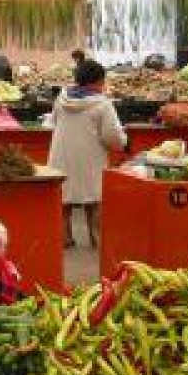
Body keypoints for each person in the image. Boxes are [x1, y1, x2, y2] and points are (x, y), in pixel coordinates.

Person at [47, 60, 127, 249]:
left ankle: (64, 237)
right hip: (91, 157)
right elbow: (111, 136)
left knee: (64, 200)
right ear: (98, 81)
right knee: (94, 198)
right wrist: (124, 141)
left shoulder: (61, 98)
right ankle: (96, 238)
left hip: (62, 155)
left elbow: (53, 122)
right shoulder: (102, 104)